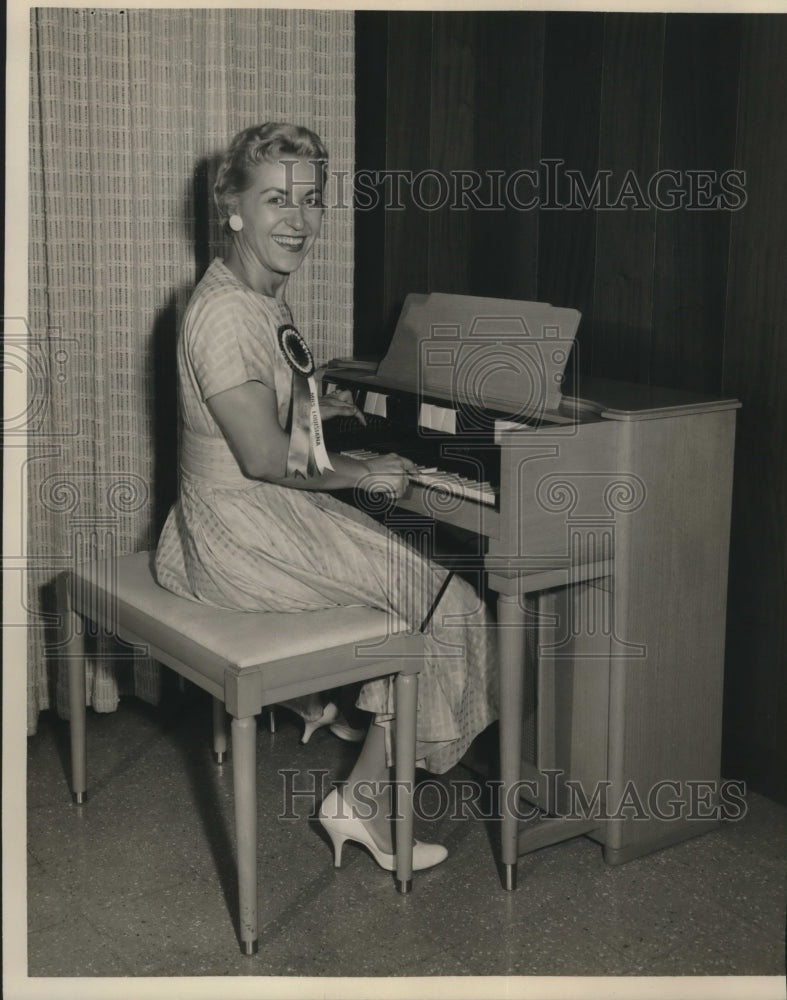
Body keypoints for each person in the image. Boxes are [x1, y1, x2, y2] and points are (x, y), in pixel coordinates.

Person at [155, 122, 497, 872]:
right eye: (275, 199)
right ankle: (362, 802)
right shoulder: (221, 314)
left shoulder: (258, 296)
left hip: (252, 514)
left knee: (404, 574)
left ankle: (349, 731)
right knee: (447, 599)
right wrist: (361, 475)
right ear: (232, 208)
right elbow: (263, 457)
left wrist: (335, 423)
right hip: (237, 533)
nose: (298, 220)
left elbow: (288, 417)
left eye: (311, 200)